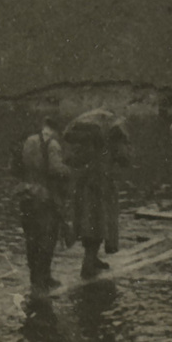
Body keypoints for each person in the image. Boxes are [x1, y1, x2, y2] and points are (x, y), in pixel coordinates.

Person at [65, 109, 135, 279]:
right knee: (99, 222)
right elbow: (125, 160)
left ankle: (92, 258)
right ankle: (88, 263)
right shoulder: (114, 137)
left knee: (88, 221)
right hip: (102, 184)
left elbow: (73, 160)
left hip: (85, 184)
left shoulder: (85, 140)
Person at [15, 114, 72, 291]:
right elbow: (55, 169)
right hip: (45, 197)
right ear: (56, 130)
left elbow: (19, 165)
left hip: (27, 193)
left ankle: (35, 278)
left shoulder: (29, 140)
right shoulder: (53, 144)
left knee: (31, 238)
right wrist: (68, 170)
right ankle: (43, 278)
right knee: (47, 237)